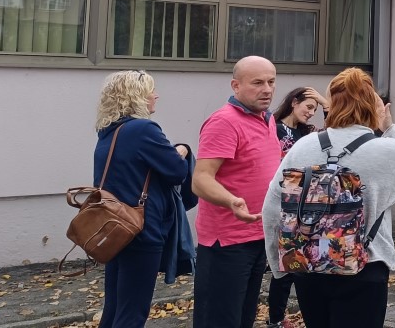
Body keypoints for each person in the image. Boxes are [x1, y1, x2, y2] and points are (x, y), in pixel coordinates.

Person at [261, 67, 395, 328]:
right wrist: (388, 126)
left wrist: (280, 266)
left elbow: (272, 208)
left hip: (310, 264)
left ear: (332, 104)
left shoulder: (303, 146)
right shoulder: (388, 151)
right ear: (372, 104)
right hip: (366, 265)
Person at [92, 70, 194, 328]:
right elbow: (177, 171)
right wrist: (182, 150)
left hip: (115, 227)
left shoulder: (109, 131)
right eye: (151, 91)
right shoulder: (143, 129)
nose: (156, 95)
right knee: (133, 312)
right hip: (141, 229)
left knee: (115, 307)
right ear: (136, 96)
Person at [192, 56, 282, 328]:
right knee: (220, 320)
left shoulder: (267, 119)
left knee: (244, 319)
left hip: (259, 236)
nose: (267, 89)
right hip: (226, 243)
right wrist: (231, 201)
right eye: (257, 83)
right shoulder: (224, 121)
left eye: (271, 82)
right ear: (236, 85)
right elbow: (200, 179)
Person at [265, 86, 327, 328]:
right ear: (294, 102)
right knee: (285, 267)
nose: (311, 113)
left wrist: (325, 103)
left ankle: (285, 317)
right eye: (308, 106)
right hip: (281, 200)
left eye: (314, 109)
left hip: (305, 204)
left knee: (303, 263)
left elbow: (333, 133)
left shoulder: (308, 133)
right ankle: (276, 319)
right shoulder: (273, 127)